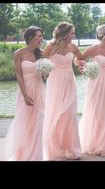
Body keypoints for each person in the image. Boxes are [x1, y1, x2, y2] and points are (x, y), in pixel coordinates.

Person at [4, 26, 45, 161]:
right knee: (25, 123)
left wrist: (46, 73)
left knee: (38, 124)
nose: (41, 39)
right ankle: (23, 156)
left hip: (39, 91)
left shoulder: (42, 53)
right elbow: (19, 76)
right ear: (30, 37)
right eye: (38, 36)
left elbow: (45, 77)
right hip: (25, 91)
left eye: (41, 36)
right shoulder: (19, 53)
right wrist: (25, 95)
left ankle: (36, 157)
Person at [42, 21, 82, 160]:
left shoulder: (73, 46)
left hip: (70, 82)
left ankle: (70, 149)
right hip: (55, 83)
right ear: (64, 34)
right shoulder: (50, 47)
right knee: (56, 114)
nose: (74, 35)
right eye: (72, 33)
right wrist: (44, 71)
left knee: (70, 115)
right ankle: (55, 148)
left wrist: (82, 65)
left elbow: (80, 59)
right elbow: (42, 62)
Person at [78, 25, 105, 156]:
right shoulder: (93, 49)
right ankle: (92, 143)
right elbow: (78, 59)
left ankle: (104, 146)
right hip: (96, 83)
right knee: (96, 112)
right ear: (104, 36)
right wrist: (84, 67)